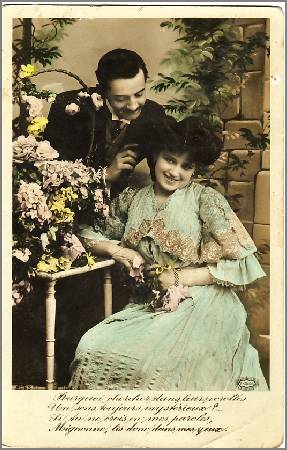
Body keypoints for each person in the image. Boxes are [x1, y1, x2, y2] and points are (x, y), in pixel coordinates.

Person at [68, 117, 268, 391]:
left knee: (158, 367)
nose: (176, 172)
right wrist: (119, 250)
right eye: (169, 160)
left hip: (204, 303)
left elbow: (243, 264)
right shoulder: (132, 198)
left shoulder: (205, 200)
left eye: (186, 166)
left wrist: (177, 277)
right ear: (154, 158)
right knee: (91, 348)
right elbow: (85, 233)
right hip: (146, 305)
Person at [44, 48, 167, 194]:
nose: (133, 105)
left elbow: (162, 169)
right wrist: (105, 175)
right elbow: (50, 171)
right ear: (104, 91)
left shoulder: (153, 114)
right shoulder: (69, 108)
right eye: (121, 99)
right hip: (70, 200)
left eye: (139, 94)